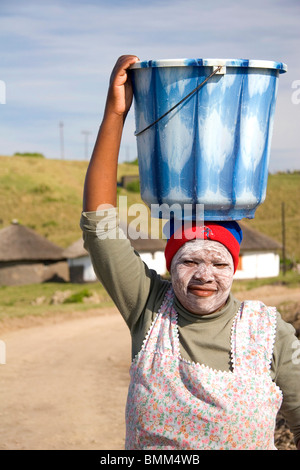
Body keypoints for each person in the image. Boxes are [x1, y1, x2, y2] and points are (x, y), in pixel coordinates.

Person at [80, 55, 300, 450]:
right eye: (190, 260)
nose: (204, 275)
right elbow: (100, 226)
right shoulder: (148, 310)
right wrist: (116, 114)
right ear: (169, 264)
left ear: (237, 267)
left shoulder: (271, 335)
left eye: (219, 262)